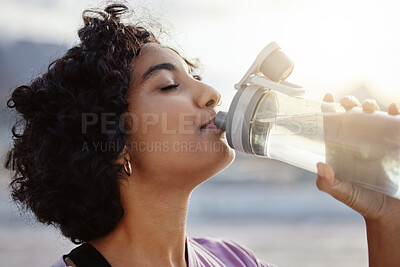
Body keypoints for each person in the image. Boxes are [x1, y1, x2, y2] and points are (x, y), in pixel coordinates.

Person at [4, 3, 400, 267]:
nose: (211, 94)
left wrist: (384, 218)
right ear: (115, 143)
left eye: (195, 77)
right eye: (168, 86)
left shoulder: (234, 260)